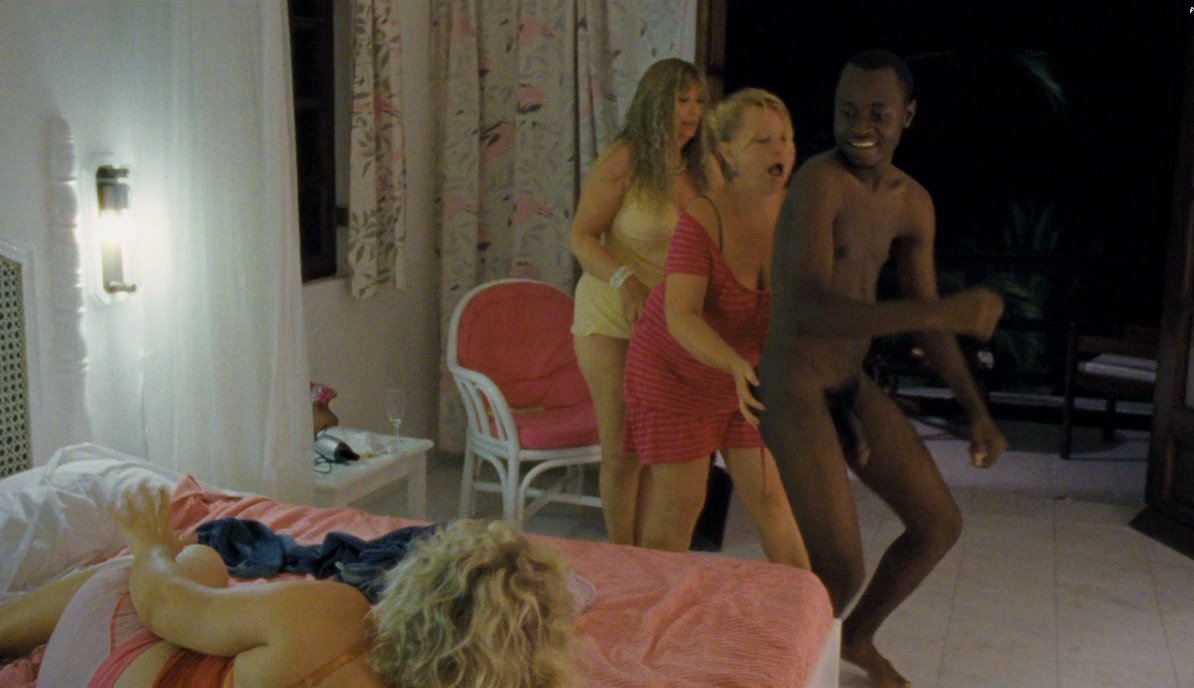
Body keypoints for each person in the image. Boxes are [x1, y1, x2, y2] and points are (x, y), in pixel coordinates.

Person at [758, 50, 1008, 687]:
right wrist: (943, 308)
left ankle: (857, 637)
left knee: (937, 524)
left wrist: (976, 411)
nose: (860, 127)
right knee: (839, 569)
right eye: (847, 112)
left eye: (878, 113)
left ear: (908, 116)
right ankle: (765, 668)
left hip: (848, 382)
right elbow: (807, 309)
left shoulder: (912, 203)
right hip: (794, 383)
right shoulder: (818, 182)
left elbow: (927, 323)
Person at [0, 487, 575, 688]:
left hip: (94, 673)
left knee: (199, 560)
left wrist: (149, 545)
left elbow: (164, 605)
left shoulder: (336, 615)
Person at [621, 88, 808, 570]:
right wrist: (733, 363)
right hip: (674, 374)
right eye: (762, 141)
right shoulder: (704, 216)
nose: (780, 151)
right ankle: (650, 609)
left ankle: (814, 613)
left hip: (745, 379)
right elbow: (680, 315)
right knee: (681, 508)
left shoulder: (800, 215)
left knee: (772, 501)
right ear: (727, 152)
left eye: (785, 139)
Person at [570, 57, 719, 545]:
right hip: (612, 316)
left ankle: (650, 556)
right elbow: (581, 236)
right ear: (656, 103)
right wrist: (625, 280)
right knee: (623, 447)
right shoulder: (624, 158)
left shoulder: (703, 168)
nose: (692, 111)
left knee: (663, 451)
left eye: (698, 101)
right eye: (681, 100)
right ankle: (621, 554)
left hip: (670, 326)